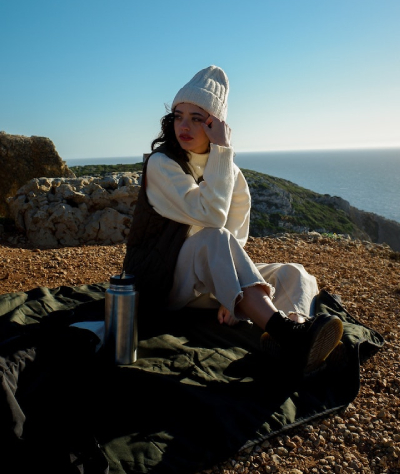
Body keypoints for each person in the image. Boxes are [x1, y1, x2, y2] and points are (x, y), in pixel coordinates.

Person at [123, 65, 343, 375]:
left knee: (294, 273)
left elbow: (236, 236)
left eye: (196, 118)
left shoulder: (230, 173)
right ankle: (287, 333)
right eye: (178, 116)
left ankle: (293, 332)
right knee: (214, 237)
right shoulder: (162, 164)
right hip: (162, 282)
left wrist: (231, 293)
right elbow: (212, 218)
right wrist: (223, 150)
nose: (184, 126)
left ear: (215, 124)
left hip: (207, 285)